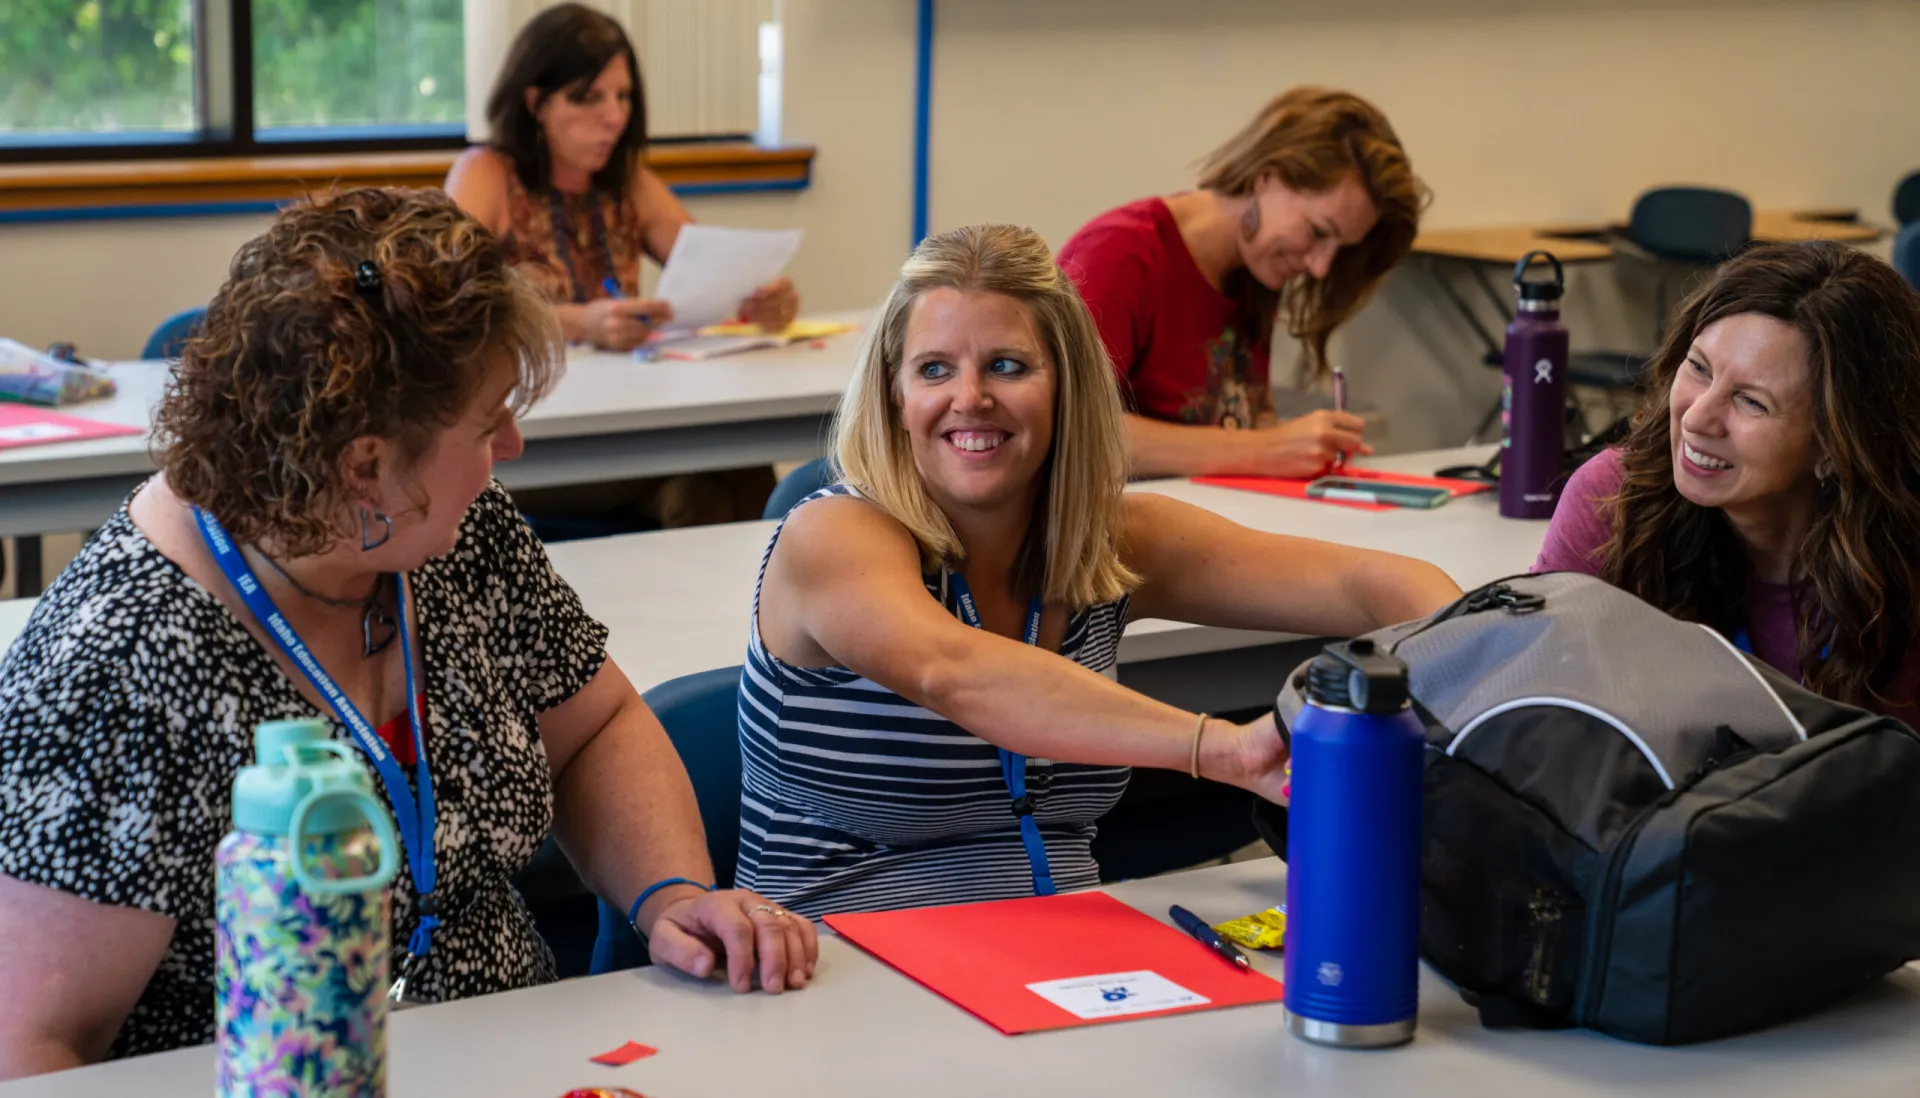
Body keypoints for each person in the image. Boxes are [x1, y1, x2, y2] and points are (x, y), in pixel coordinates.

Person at [0, 188, 814, 1078]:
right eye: (487, 420)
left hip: (521, 1058)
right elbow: (34, 1048)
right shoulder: (120, 661)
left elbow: (595, 728)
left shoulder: (445, 530)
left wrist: (671, 894)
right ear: (365, 466)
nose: (512, 444)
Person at [737, 223, 1462, 917]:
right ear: (896, 397)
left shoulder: (1107, 541)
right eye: (934, 369)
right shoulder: (834, 535)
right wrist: (1220, 749)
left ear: (1065, 387)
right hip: (838, 967)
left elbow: (1365, 584)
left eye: (1007, 366)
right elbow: (953, 670)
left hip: (1067, 954)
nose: (970, 398)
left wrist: (1489, 658)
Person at [1536, 241, 1920, 727]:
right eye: (1698, 368)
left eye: (1751, 402)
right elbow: (1536, 707)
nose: (1697, 417)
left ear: (1836, 444)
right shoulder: (1613, 498)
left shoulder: (1902, 557)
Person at [445, 2, 793, 526]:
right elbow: (446, 309)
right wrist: (582, 324)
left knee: (732, 467)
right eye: (589, 98)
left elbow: (713, 263)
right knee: (718, 473)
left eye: (623, 96)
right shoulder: (486, 173)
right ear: (536, 102)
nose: (613, 116)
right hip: (531, 438)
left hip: (625, 417)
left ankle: (763, 599)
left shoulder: (625, 180)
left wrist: (764, 296)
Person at [1057, 86, 1427, 479]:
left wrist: (1296, 446)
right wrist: (1265, 449)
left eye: (1340, 248)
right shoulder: (1119, 255)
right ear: (1267, 178)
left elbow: (1243, 417)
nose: (1320, 268)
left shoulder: (1253, 270)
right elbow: (1070, 428)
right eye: (1318, 231)